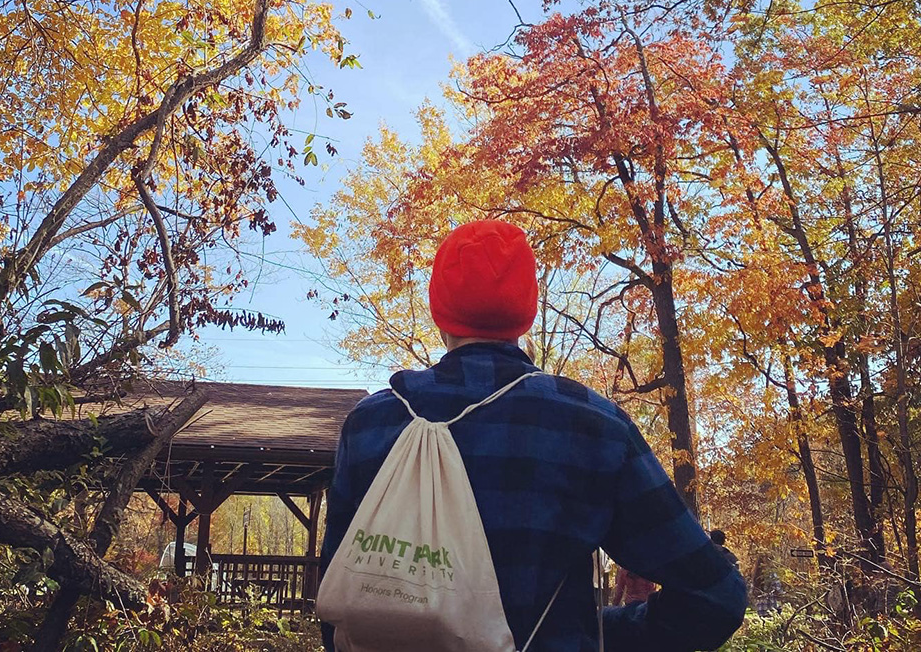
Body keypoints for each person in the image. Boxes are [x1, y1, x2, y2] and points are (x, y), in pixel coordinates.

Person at [319, 221, 747, 650]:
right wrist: (598, 631)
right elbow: (715, 598)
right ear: (528, 310)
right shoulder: (590, 425)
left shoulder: (371, 424)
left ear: (437, 308)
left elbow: (338, 596)